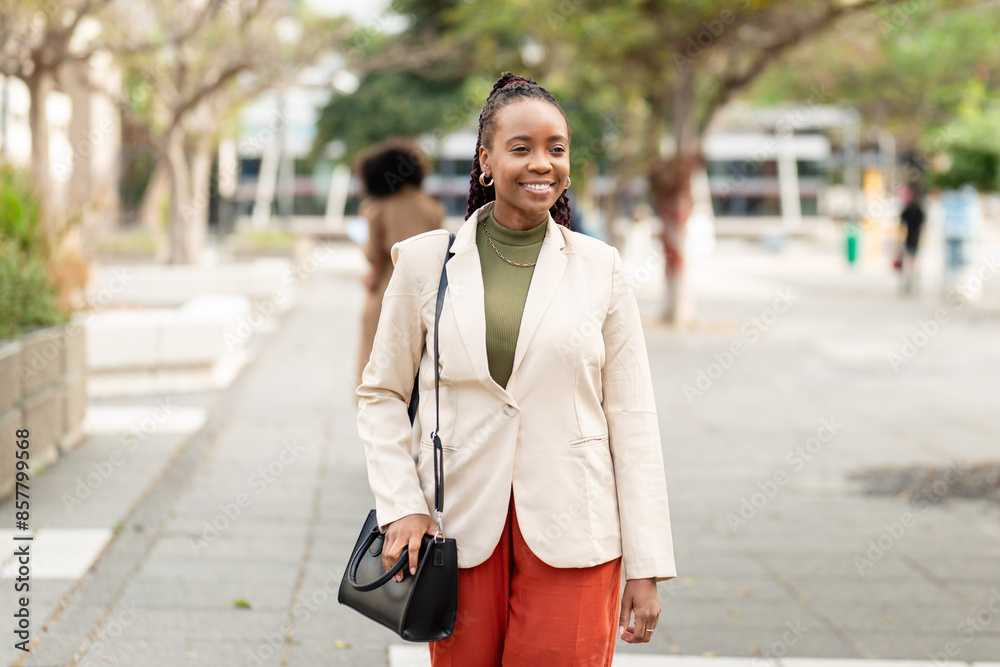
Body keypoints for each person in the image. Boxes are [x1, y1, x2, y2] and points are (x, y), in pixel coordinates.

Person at [356, 73, 675, 666]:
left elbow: (632, 417)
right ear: (486, 160)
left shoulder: (600, 268)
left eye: (556, 148)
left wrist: (648, 564)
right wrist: (400, 503)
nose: (542, 163)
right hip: (456, 533)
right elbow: (380, 394)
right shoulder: (428, 263)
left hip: (576, 531)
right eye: (521, 147)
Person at [354, 139, 444, 387]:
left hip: (386, 291)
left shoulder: (376, 207)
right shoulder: (431, 206)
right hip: (426, 293)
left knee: (377, 365)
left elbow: (372, 254)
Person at [898, 187, 925, 295]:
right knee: (913, 262)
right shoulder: (918, 210)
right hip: (914, 239)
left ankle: (909, 283)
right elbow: (922, 227)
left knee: (909, 262)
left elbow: (901, 226)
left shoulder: (909, 210)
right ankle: (913, 284)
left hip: (909, 239)